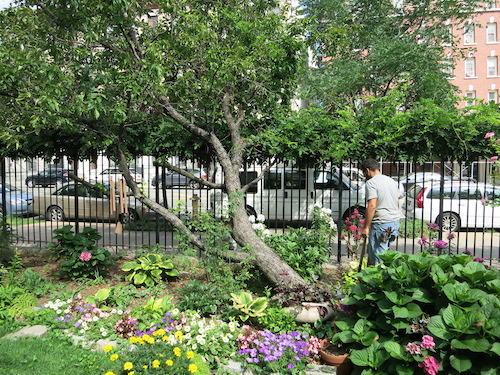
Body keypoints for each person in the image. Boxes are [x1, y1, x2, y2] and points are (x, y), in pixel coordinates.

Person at [359, 159, 404, 265]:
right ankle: (368, 278)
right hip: (394, 223)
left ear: (367, 170)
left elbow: (372, 206)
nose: (364, 175)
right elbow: (397, 200)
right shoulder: (391, 181)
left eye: (364, 173)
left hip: (381, 225)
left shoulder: (371, 183)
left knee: (378, 260)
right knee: (382, 254)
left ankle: (380, 280)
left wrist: (365, 227)